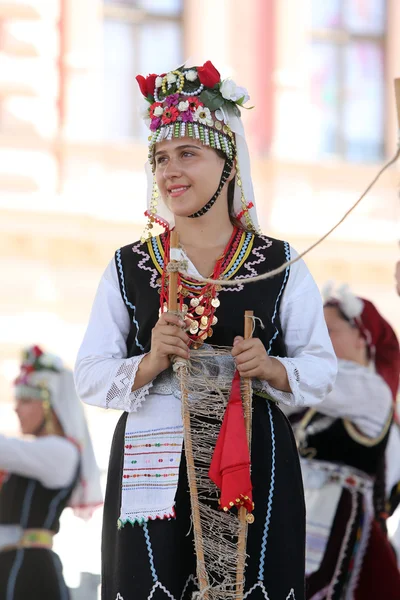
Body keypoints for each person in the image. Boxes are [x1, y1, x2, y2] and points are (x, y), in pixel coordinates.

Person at [75, 60, 337, 600]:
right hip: (155, 455)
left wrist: (270, 367)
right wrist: (149, 363)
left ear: (229, 161)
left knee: (250, 582)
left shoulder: (279, 262)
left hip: (253, 453)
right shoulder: (130, 265)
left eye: (188, 154)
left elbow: (322, 367)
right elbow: (89, 375)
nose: (170, 171)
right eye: (160, 158)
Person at [288, 284, 400, 599]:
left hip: (346, 525)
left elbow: (293, 383)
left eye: (329, 331)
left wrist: (271, 366)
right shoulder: (310, 392)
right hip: (301, 517)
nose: (318, 340)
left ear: (362, 337)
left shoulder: (370, 391)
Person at [0, 345, 102, 600]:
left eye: (25, 400)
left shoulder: (61, 452)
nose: (16, 408)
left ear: (49, 403)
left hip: (29, 575)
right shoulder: (32, 455)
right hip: (12, 568)